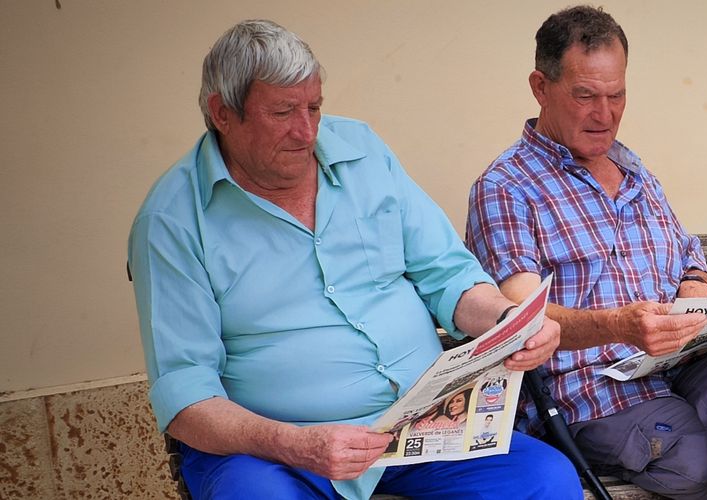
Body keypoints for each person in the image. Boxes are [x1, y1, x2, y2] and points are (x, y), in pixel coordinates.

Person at [127, 19, 579, 500]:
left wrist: (509, 321)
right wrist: (296, 444)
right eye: (282, 112)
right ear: (222, 112)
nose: (306, 132)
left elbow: (448, 275)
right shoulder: (173, 219)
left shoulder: (362, 150)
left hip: (421, 426)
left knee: (544, 481)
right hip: (274, 452)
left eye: (314, 107)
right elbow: (185, 395)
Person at [465, 6, 707, 499]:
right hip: (597, 397)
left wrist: (696, 287)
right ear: (541, 87)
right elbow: (523, 320)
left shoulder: (634, 171)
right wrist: (619, 326)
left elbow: (688, 255)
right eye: (585, 95)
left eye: (617, 96)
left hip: (680, 371)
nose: (604, 114)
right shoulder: (507, 188)